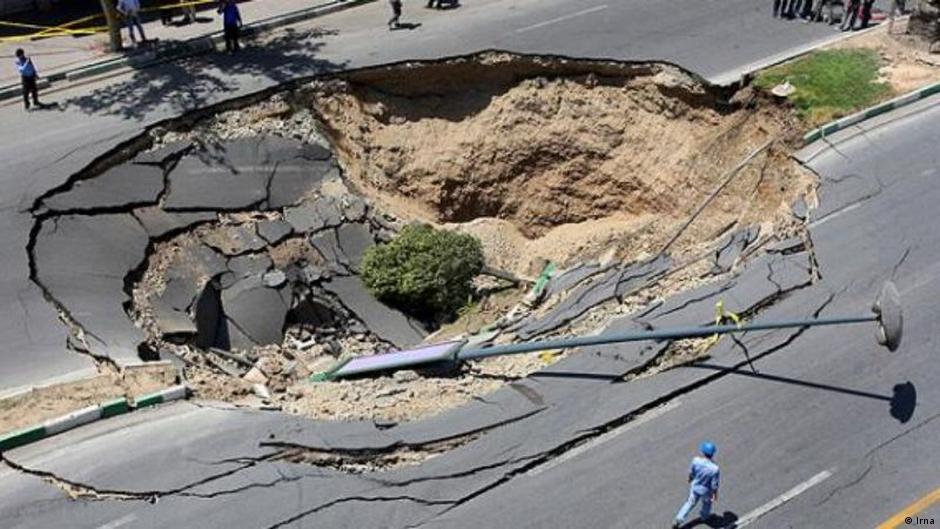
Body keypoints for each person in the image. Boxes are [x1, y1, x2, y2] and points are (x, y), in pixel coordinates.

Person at [673, 441, 720, 529]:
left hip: (695, 487)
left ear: (703, 452)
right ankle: (704, 517)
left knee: (689, 503)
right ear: (713, 454)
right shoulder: (715, 469)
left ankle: (679, 518)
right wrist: (715, 494)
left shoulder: (696, 460)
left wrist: (690, 478)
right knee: (706, 504)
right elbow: (714, 484)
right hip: (706, 491)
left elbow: (691, 472)